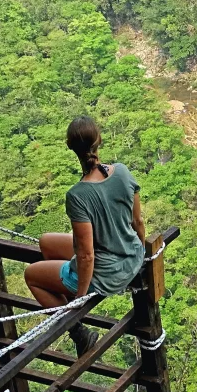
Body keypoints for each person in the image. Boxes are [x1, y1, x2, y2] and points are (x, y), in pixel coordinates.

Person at [24, 116, 146, 356]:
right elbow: (138, 222)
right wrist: (138, 253)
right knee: (46, 242)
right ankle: (65, 292)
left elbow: (87, 255)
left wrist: (80, 298)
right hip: (131, 255)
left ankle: (77, 330)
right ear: (99, 140)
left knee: (31, 275)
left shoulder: (78, 195)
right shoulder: (122, 172)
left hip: (104, 272)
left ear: (69, 146)